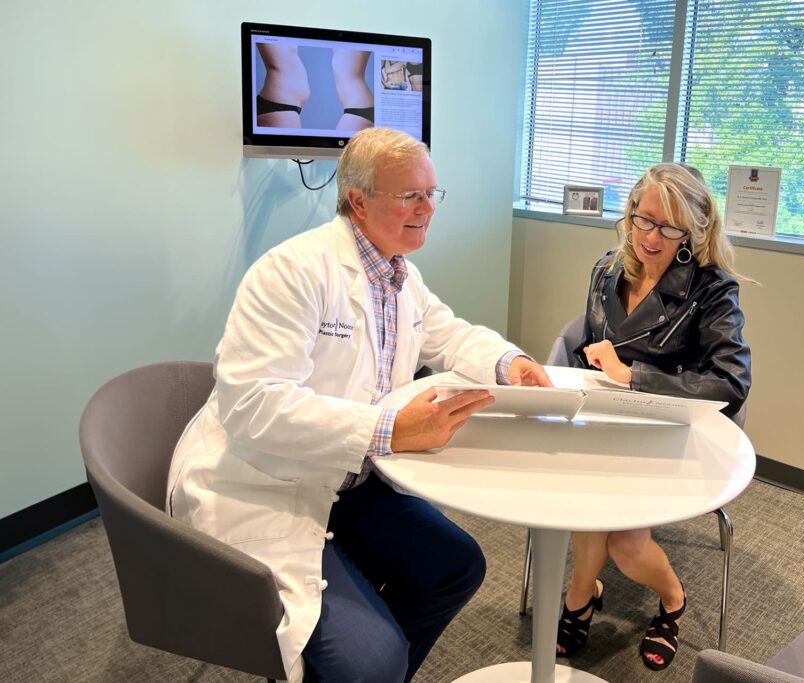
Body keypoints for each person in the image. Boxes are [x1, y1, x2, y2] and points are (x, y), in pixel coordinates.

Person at [166, 127, 552, 683]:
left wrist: (508, 362)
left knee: (457, 567)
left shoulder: (400, 274)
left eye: (431, 194)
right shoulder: (291, 272)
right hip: (265, 481)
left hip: (346, 478)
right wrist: (389, 429)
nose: (427, 209)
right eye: (410, 195)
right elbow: (254, 406)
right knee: (372, 659)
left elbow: (448, 333)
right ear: (359, 199)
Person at [558, 162, 751, 671]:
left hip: (670, 429)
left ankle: (671, 598)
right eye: (641, 219)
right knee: (582, 506)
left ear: (694, 231)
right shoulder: (606, 270)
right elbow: (586, 350)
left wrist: (632, 376)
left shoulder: (712, 290)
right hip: (606, 422)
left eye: (668, 227)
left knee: (624, 544)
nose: (649, 236)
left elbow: (730, 384)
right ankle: (582, 596)